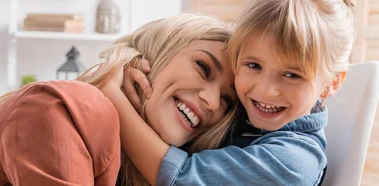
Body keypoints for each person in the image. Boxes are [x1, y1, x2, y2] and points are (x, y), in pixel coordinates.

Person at [0, 14, 237, 186]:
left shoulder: (143, 163)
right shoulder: (65, 108)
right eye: (203, 67)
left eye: (226, 100)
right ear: (152, 55)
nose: (212, 102)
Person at [106, 0, 356, 185]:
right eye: (253, 65)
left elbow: (182, 178)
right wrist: (134, 60)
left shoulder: (294, 162)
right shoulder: (246, 112)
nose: (265, 90)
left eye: (292, 75)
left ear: (332, 82)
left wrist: (112, 94)